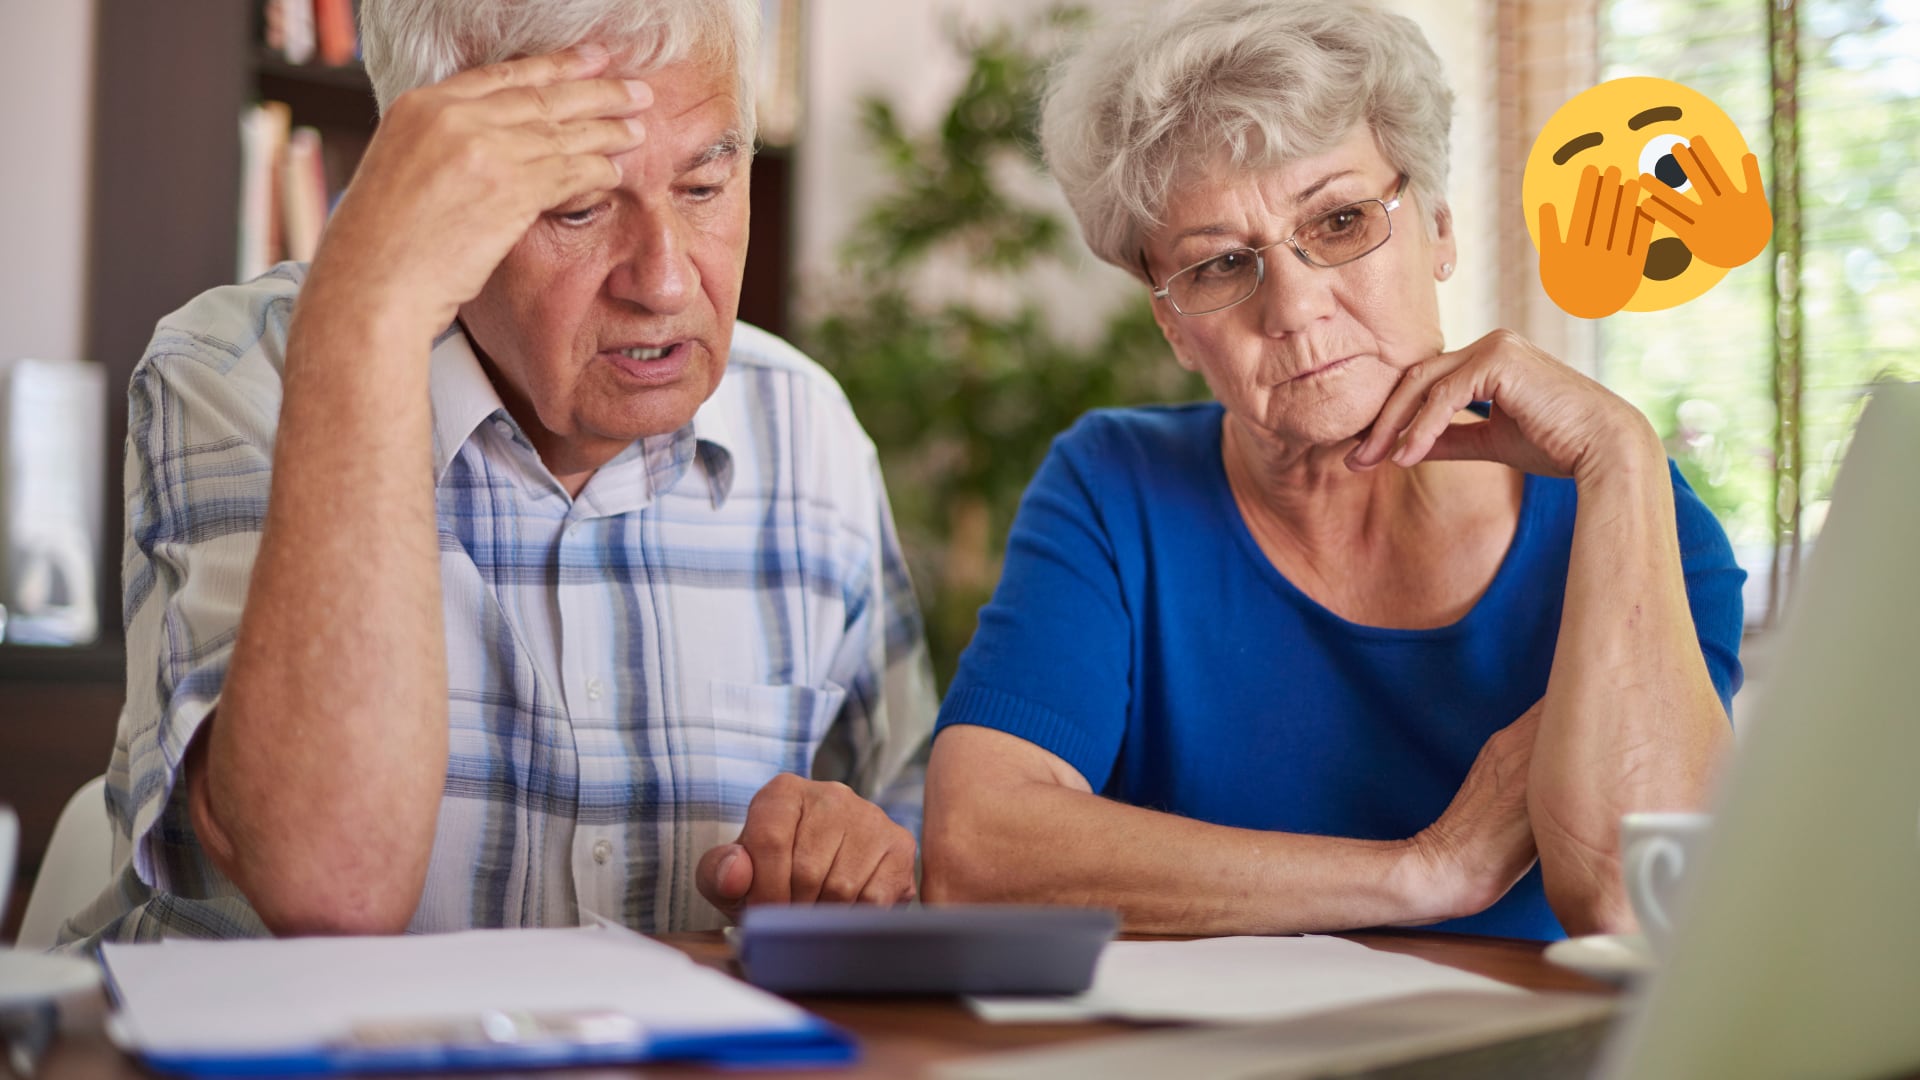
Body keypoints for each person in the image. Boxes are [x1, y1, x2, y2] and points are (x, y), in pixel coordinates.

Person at [60, 0, 933, 947]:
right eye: (578, 206)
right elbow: (326, 886)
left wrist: (862, 861)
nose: (665, 280)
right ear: (426, 180)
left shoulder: (805, 428)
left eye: (704, 188)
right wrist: (368, 310)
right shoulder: (236, 375)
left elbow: (916, 830)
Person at [921, 0, 1744, 941]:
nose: (1296, 308)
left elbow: (1633, 907)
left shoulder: (1635, 514)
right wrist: (1425, 873)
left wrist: (1621, 451)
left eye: (1344, 221)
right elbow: (977, 853)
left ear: (1438, 228)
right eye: (1222, 266)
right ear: (1172, 324)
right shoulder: (1115, 487)